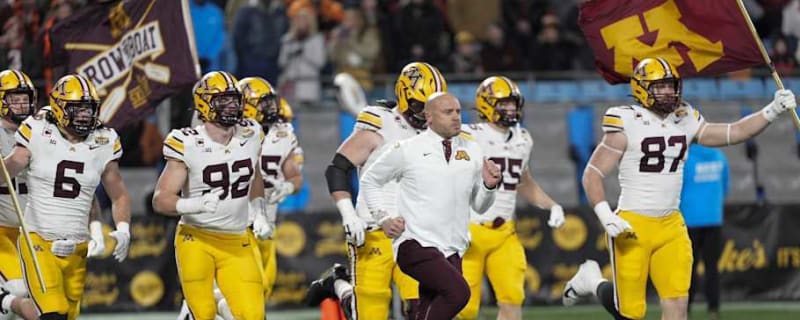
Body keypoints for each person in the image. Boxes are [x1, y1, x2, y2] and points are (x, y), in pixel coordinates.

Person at [562, 57, 797, 320]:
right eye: (659, 86)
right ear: (641, 88)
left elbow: (734, 132)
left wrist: (772, 111)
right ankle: (591, 280)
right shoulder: (626, 119)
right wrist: (606, 215)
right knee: (629, 314)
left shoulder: (685, 118)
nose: (668, 92)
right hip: (633, 225)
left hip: (671, 224)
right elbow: (592, 174)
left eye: (670, 85)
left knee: (677, 308)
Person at [307, 62, 448, 320]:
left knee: (422, 310)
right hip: (374, 230)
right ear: (404, 96)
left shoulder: (441, 134)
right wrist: (349, 214)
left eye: (433, 108)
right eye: (420, 106)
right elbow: (337, 169)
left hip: (416, 234)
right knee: (369, 312)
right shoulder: (380, 124)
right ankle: (340, 286)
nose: (425, 115)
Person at [360, 92, 502, 319]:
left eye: (458, 111)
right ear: (429, 117)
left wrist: (488, 186)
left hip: (453, 248)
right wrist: (382, 218)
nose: (456, 117)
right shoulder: (407, 149)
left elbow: (480, 205)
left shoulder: (473, 150)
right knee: (459, 293)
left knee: (425, 311)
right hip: (415, 243)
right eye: (448, 112)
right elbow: (370, 180)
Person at [1, 74, 132, 320]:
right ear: (60, 108)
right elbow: (9, 170)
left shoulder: (104, 139)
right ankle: (8, 301)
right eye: (77, 109)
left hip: (76, 247)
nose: (84, 115)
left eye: (88, 109)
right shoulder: (38, 129)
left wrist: (123, 228)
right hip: (37, 238)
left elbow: (118, 194)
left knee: (66, 315)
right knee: (52, 314)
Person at [153, 71, 269, 320]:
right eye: (223, 100)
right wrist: (195, 204)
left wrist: (259, 211)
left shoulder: (252, 133)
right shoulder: (186, 142)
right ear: (205, 104)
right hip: (197, 239)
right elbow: (161, 199)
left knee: (253, 315)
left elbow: (254, 174)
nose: (232, 106)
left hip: (237, 239)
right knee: (203, 313)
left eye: (234, 99)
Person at [457, 76, 565, 320]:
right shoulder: (466, 135)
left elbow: (523, 182)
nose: (510, 109)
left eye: (513, 103)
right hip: (468, 231)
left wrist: (552, 205)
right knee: (464, 308)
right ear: (486, 104)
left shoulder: (523, 138)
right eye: (503, 103)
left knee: (513, 299)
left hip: (505, 231)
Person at [240, 76, 303, 302]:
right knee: (251, 288)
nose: (272, 107)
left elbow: (295, 176)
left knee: (265, 286)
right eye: (264, 102)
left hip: (268, 223)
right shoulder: (232, 132)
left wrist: (287, 187)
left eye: (271, 101)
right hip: (237, 223)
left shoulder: (282, 133)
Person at [0, 69, 37, 320]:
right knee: (19, 290)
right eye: (15, 98)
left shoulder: (41, 132)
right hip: (2, 231)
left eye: (25, 98)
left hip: (33, 232)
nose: (22, 104)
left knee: (40, 297)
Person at [681, 143, 728, 320]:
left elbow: (677, 187)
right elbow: (726, 186)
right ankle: (714, 309)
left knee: (688, 268)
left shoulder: (685, 158)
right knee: (712, 268)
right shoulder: (719, 156)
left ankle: (686, 308)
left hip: (689, 220)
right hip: (714, 218)